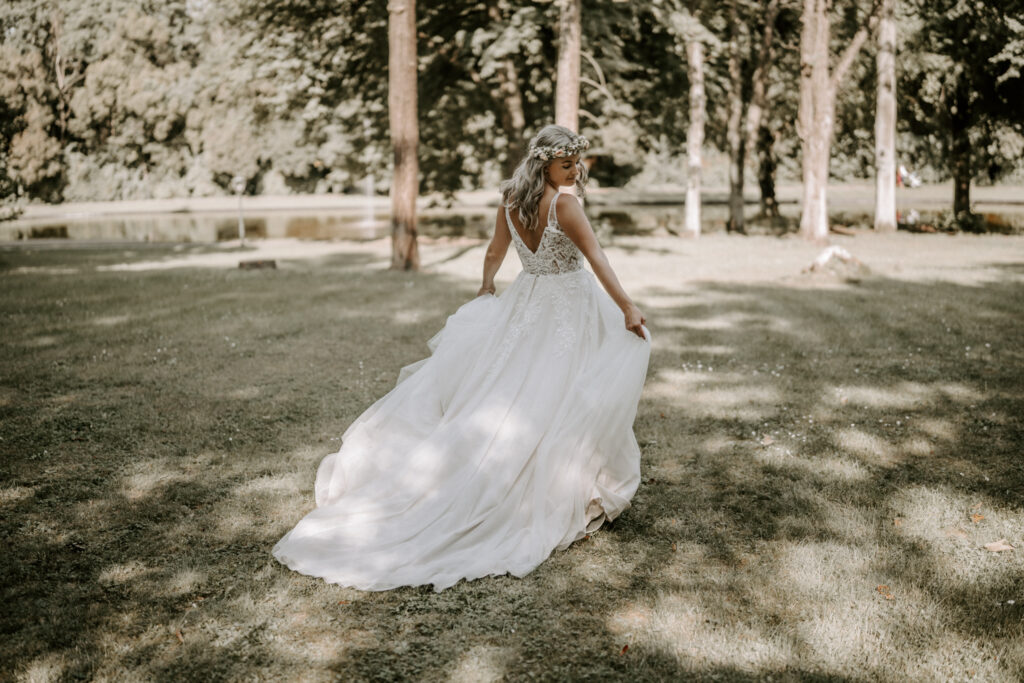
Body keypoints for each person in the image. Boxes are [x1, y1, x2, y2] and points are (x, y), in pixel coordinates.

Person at [272, 125, 651, 592]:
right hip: (566, 306)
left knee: (522, 385)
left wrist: (488, 284)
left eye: (577, 162)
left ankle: (576, 471)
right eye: (566, 163)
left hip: (528, 303)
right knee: (558, 388)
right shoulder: (565, 205)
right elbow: (595, 257)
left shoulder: (512, 200)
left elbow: (496, 250)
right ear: (544, 164)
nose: (575, 171)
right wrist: (627, 307)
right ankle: (565, 480)